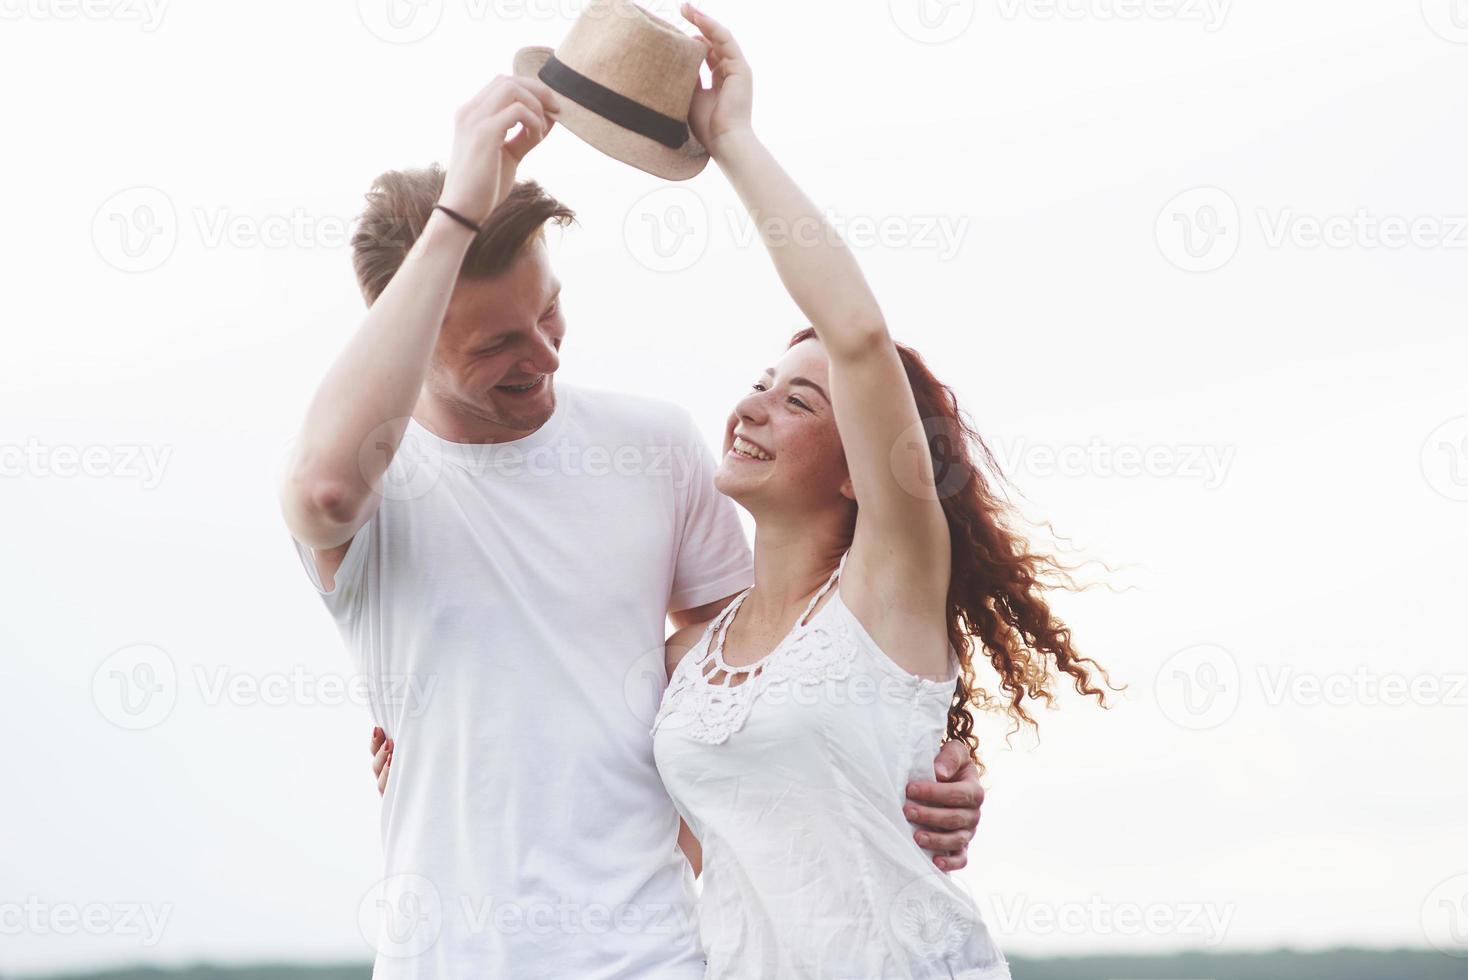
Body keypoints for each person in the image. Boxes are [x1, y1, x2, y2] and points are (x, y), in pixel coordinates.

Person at [281, 65, 987, 979]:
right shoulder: (365, 484)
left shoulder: (654, 448)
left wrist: (926, 750)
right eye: (497, 343)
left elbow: (787, 681)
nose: (542, 354)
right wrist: (458, 208)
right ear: (413, 330)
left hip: (657, 958)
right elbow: (327, 494)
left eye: (551, 311)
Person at [652, 6, 1116, 976]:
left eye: (798, 401)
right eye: (760, 384)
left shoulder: (887, 590)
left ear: (862, 463)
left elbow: (855, 331)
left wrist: (730, 138)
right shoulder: (688, 654)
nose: (754, 406)